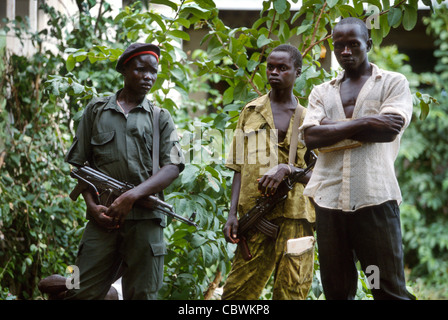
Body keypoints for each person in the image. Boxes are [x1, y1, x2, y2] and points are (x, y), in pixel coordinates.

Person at [299, 17, 415, 300]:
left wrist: (331, 127)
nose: (345, 52)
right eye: (339, 46)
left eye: (353, 44)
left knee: (388, 291)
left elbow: (389, 129)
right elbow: (311, 138)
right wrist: (366, 125)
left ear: (369, 45)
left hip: (374, 198)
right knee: (337, 292)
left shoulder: (392, 83)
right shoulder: (321, 91)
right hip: (329, 202)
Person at [64, 43, 184, 300]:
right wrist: (91, 206)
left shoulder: (160, 117)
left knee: (142, 294)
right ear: (125, 69)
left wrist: (130, 197)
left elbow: (173, 167)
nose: (148, 77)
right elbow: (80, 166)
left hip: (146, 222)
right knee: (75, 287)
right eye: (141, 70)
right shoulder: (96, 111)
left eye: (153, 72)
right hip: (102, 219)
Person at [222, 44, 315, 300]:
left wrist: (287, 169)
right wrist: (232, 214)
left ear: (297, 72)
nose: (274, 72)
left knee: (291, 293)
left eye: (282, 68)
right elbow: (238, 168)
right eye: (270, 67)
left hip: (296, 217)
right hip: (255, 215)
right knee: (236, 295)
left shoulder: (310, 119)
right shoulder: (250, 112)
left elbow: (320, 176)